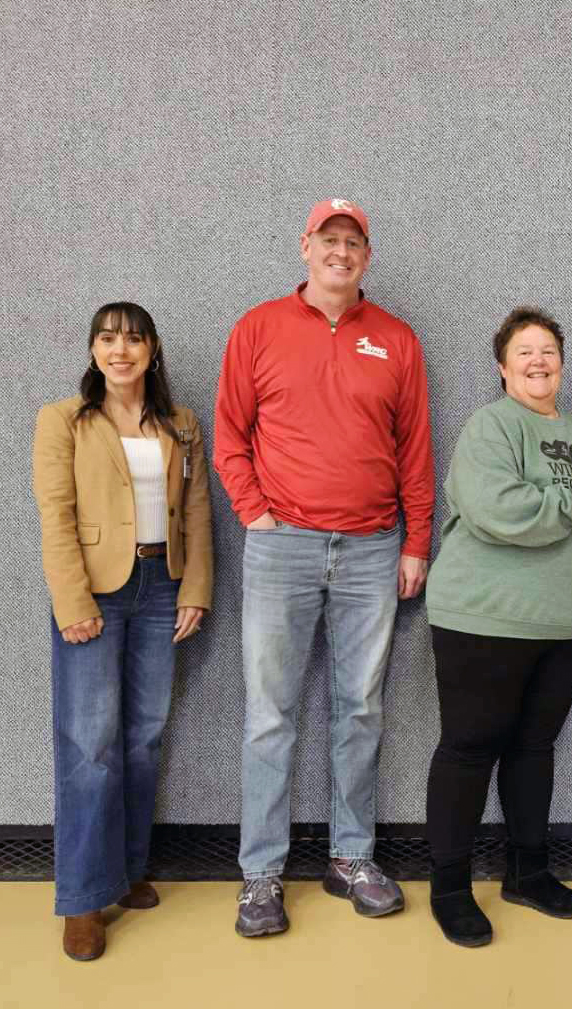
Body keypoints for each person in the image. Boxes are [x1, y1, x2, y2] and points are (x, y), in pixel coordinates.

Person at [213, 198, 435, 937]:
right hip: (282, 548)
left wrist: (414, 541)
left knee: (360, 708)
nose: (340, 251)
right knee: (270, 714)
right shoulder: (257, 328)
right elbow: (229, 438)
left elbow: (414, 451)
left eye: (354, 242)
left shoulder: (396, 340)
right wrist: (256, 516)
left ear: (366, 257)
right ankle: (261, 875)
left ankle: (350, 857)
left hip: (373, 550)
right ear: (304, 246)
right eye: (328, 239)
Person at [422, 307, 572, 947]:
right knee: (470, 748)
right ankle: (450, 888)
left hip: (563, 625)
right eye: (524, 352)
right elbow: (500, 511)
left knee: (535, 749)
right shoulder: (491, 427)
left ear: (563, 361)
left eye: (548, 351)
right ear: (503, 368)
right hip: (486, 619)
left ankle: (527, 872)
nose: (538, 361)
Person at [33, 302, 213, 961]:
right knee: (91, 745)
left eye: (133, 339)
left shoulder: (180, 423)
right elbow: (54, 514)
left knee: (142, 738)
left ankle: (127, 869)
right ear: (92, 350)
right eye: (107, 338)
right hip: (95, 594)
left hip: (160, 587)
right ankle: (83, 897)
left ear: (152, 349)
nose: (120, 349)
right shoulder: (64, 421)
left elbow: (196, 511)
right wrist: (71, 598)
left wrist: (195, 586)